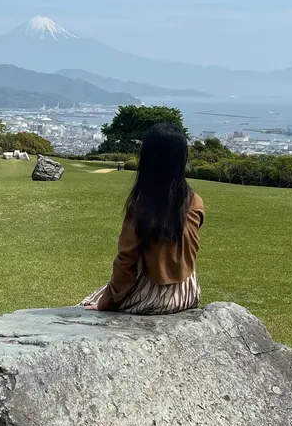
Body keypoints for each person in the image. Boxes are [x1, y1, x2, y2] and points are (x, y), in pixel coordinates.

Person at [81, 122, 204, 314]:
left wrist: (106, 303)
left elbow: (126, 262)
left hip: (153, 297)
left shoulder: (142, 206)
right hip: (187, 292)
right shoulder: (195, 201)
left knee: (89, 302)